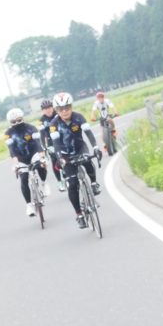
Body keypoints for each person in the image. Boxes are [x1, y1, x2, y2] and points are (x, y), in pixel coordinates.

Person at [46, 92, 101, 228]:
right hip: (64, 153)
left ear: (71, 107)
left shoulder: (78, 117)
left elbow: (88, 133)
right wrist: (60, 158)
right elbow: (56, 143)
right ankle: (79, 214)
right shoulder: (54, 124)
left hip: (79, 147)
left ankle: (94, 183)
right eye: (61, 109)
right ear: (57, 110)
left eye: (67, 108)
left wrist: (95, 147)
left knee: (87, 160)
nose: (64, 111)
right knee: (72, 183)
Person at [3, 107, 46, 217]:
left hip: (33, 153)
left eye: (19, 120)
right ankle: (29, 205)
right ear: (10, 122)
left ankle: (43, 183)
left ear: (22, 118)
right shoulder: (8, 133)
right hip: (20, 157)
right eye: (13, 122)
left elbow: (38, 143)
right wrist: (16, 164)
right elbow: (11, 150)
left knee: (40, 166)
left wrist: (41, 156)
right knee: (24, 178)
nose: (17, 123)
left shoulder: (31, 128)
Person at [36, 98, 64, 192]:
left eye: (49, 107)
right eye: (45, 108)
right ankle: (60, 181)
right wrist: (44, 148)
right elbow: (42, 135)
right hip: (51, 142)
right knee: (55, 161)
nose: (48, 110)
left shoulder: (58, 114)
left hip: (62, 139)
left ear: (53, 107)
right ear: (42, 110)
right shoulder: (41, 120)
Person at [90, 90, 119, 155]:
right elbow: (93, 111)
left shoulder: (107, 101)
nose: (101, 99)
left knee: (109, 119)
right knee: (102, 134)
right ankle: (105, 143)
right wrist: (92, 117)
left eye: (102, 97)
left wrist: (115, 112)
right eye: (99, 97)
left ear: (104, 97)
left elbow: (113, 107)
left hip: (107, 116)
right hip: (101, 118)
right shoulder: (96, 103)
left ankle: (113, 130)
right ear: (97, 98)